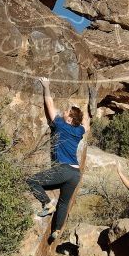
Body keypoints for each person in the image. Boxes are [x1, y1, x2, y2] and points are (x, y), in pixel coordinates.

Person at [27, 76, 88, 243]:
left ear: (69, 119)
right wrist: (81, 111)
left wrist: (46, 86)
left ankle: (47, 204)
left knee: (32, 180)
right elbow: (86, 125)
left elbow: (50, 105)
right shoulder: (79, 131)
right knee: (64, 202)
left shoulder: (61, 124)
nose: (64, 111)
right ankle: (57, 230)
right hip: (75, 173)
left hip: (63, 170)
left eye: (67, 111)